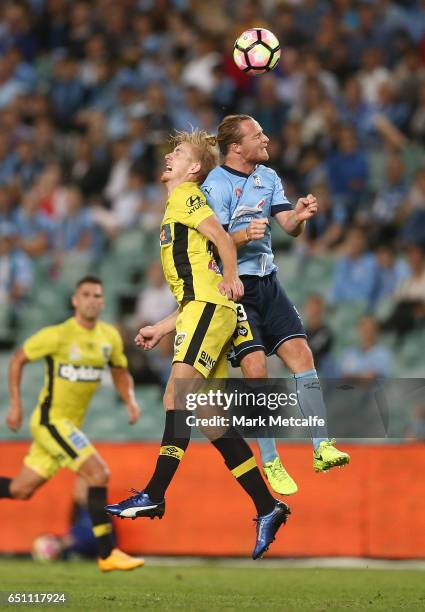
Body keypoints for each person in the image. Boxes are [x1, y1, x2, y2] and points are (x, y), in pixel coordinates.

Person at [105, 130, 290, 560]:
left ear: (192, 168)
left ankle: (154, 493)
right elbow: (197, 289)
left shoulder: (187, 197)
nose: (169, 155)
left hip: (210, 310)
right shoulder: (177, 208)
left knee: (176, 395)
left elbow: (225, 243)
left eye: (179, 152)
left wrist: (232, 275)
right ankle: (268, 506)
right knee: (209, 418)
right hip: (200, 310)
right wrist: (164, 326)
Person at [201, 114, 350, 494]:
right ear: (236, 147)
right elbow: (209, 243)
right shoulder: (215, 185)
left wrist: (298, 219)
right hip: (236, 288)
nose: (266, 139)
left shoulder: (268, 177)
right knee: (256, 371)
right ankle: (270, 460)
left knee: (302, 356)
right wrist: (241, 234)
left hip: (269, 282)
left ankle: (322, 446)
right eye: (258, 135)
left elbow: (286, 224)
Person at [0, 276, 144, 573]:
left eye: (98, 295)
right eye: (86, 294)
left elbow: (119, 369)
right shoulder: (58, 335)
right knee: (98, 473)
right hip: (52, 421)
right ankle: (108, 553)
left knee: (20, 490)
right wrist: (16, 405)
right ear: (75, 301)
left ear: (103, 302)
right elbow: (17, 359)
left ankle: (107, 553)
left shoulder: (109, 337)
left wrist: (129, 399)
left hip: (67, 426)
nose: (93, 300)